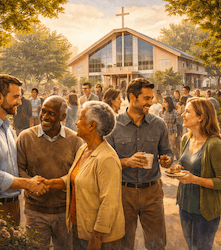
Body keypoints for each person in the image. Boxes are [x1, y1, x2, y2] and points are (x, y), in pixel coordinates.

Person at [45, 101, 125, 250]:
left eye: (80, 119)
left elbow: (109, 203)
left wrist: (96, 237)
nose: (76, 122)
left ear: (91, 125)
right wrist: (50, 183)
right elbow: (74, 178)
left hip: (100, 238)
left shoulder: (107, 158)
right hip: (80, 229)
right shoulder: (84, 149)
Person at [0, 75, 49, 226]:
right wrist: (29, 184)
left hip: (11, 206)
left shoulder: (5, 126)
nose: (20, 102)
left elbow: (11, 168)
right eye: (15, 97)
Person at [107, 78, 173, 250]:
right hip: (123, 193)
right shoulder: (113, 126)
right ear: (132, 97)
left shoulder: (159, 125)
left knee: (157, 244)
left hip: (152, 193)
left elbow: (167, 151)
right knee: (123, 244)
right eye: (147, 98)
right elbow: (105, 163)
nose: (151, 102)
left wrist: (167, 159)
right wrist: (126, 162)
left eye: (152, 98)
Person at [17, 95, 83, 249]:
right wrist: (31, 185)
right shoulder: (25, 137)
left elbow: (79, 173)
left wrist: (55, 184)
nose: (44, 117)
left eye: (51, 114)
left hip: (64, 214)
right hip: (35, 213)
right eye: (43, 111)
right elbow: (19, 168)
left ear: (63, 116)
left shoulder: (75, 140)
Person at [174, 97, 221, 250]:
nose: (182, 114)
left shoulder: (215, 144)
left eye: (187, 112)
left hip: (204, 212)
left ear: (201, 117)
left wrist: (194, 179)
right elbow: (184, 165)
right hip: (184, 206)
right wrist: (178, 170)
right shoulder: (186, 139)